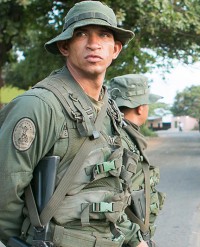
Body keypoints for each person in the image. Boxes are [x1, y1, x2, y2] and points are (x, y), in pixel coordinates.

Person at [0, 1, 149, 247]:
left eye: (104, 34)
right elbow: (5, 193)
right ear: (64, 46)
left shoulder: (109, 109)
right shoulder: (39, 106)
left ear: (116, 49)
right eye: (81, 34)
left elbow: (111, 188)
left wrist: (135, 240)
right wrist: (29, 239)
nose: (93, 44)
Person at [109, 74, 166, 247]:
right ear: (141, 108)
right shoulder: (122, 141)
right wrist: (137, 241)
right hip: (126, 239)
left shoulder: (120, 134)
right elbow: (110, 200)